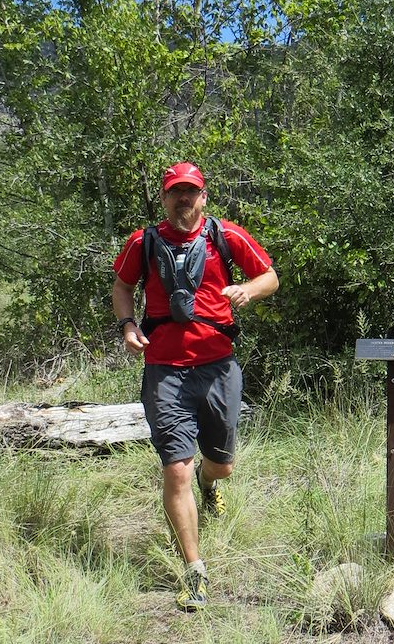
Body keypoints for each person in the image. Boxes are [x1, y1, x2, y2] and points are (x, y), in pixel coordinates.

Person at [111, 162, 278, 611]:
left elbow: (270, 277)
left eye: (191, 192)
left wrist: (249, 290)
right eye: (174, 193)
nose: (183, 199)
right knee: (176, 468)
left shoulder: (226, 236)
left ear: (204, 197)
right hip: (164, 369)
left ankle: (210, 483)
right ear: (164, 199)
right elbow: (122, 285)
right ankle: (194, 571)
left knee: (219, 466)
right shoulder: (143, 242)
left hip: (218, 367)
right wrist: (128, 325)